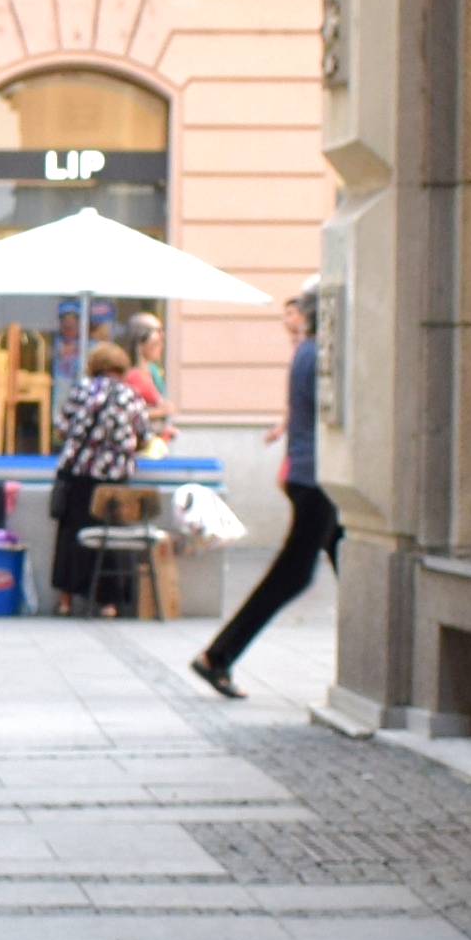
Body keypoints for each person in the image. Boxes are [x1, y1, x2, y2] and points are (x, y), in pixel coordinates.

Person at [194, 289, 340, 697]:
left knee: (340, 565)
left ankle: (377, 667)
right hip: (315, 479)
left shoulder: (305, 353)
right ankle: (218, 655)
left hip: (311, 476)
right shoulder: (314, 356)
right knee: (294, 573)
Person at [49, 315, 161, 617]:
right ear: (122, 368)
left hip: (78, 478)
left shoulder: (80, 390)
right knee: (111, 540)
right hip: (114, 482)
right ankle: (109, 604)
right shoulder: (130, 396)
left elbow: (61, 428)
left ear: (94, 365)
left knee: (71, 539)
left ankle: (66, 600)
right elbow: (145, 437)